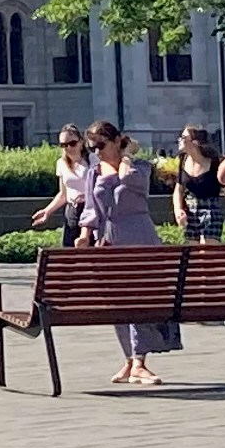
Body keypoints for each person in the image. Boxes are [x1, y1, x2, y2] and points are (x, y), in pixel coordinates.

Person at [80, 122, 178, 387]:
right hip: (109, 240)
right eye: (92, 147)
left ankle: (140, 361)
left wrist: (126, 155)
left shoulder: (139, 167)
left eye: (101, 145)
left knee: (140, 298)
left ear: (116, 141)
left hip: (139, 236)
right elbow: (90, 208)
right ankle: (130, 359)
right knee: (117, 303)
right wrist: (86, 235)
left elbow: (127, 179)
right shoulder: (93, 172)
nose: (96, 152)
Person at [26, 124, 92, 247]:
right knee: (69, 250)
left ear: (81, 142)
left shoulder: (92, 160)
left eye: (72, 143)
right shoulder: (61, 163)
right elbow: (63, 194)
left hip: (90, 210)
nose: (68, 148)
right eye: (63, 145)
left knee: (90, 249)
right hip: (72, 210)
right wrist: (47, 211)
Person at [174, 127, 225, 244]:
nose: (180, 139)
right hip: (191, 212)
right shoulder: (183, 160)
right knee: (194, 253)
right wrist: (178, 210)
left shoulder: (214, 163)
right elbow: (178, 190)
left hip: (210, 210)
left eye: (184, 137)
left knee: (207, 251)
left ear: (194, 142)